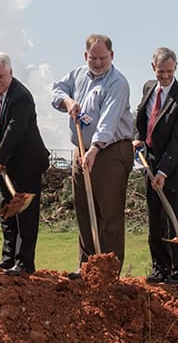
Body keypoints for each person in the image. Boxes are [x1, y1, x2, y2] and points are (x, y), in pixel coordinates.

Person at [52, 34, 134, 278]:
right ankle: (87, 266)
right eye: (93, 58)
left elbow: (107, 122)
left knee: (108, 213)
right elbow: (57, 89)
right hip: (81, 149)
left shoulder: (117, 83)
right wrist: (67, 101)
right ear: (85, 56)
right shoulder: (77, 75)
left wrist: (95, 149)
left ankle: (109, 270)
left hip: (109, 151)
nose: (98, 63)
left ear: (112, 56)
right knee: (84, 210)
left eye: (103, 58)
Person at [133, 47, 178, 284]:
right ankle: (160, 267)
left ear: (176, 68)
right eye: (161, 72)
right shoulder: (149, 88)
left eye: (170, 71)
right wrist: (138, 136)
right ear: (153, 68)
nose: (166, 76)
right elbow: (142, 118)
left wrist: (163, 171)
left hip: (176, 169)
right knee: (156, 220)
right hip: (150, 163)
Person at [0, 52, 50, 276]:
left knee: (25, 213)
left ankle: (24, 263)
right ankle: (8, 258)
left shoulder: (21, 96)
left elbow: (14, 130)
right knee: (7, 210)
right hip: (6, 161)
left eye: (1, 77)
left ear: (11, 72)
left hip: (27, 163)